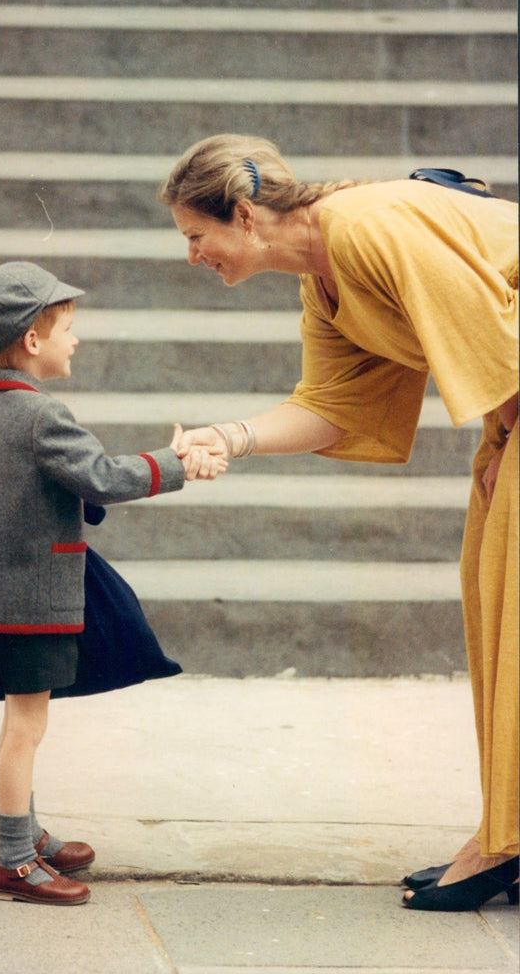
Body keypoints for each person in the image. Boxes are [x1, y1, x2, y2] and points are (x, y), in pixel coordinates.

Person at [161, 134, 518, 913]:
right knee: (496, 607)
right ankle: (507, 829)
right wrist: (230, 436)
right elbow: (330, 409)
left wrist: (509, 435)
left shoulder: (363, 225)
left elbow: (496, 333)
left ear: (246, 217)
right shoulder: (323, 278)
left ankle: (503, 843)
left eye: (197, 236)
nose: (193, 255)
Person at [0, 261, 226, 907]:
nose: (75, 340)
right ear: (31, 341)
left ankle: (24, 834)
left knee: (22, 721)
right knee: (25, 726)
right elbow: (102, 476)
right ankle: (14, 860)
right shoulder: (42, 415)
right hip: (31, 598)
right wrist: (177, 462)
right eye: (68, 329)